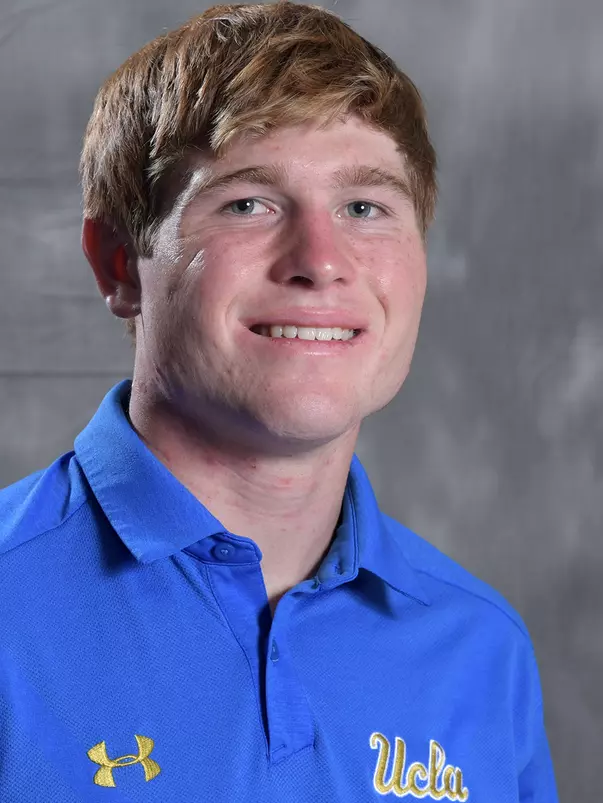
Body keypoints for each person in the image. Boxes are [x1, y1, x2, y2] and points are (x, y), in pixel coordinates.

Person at [0, 2, 558, 801]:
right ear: (121, 264)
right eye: (248, 203)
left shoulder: (478, 648)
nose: (320, 262)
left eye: (364, 207)